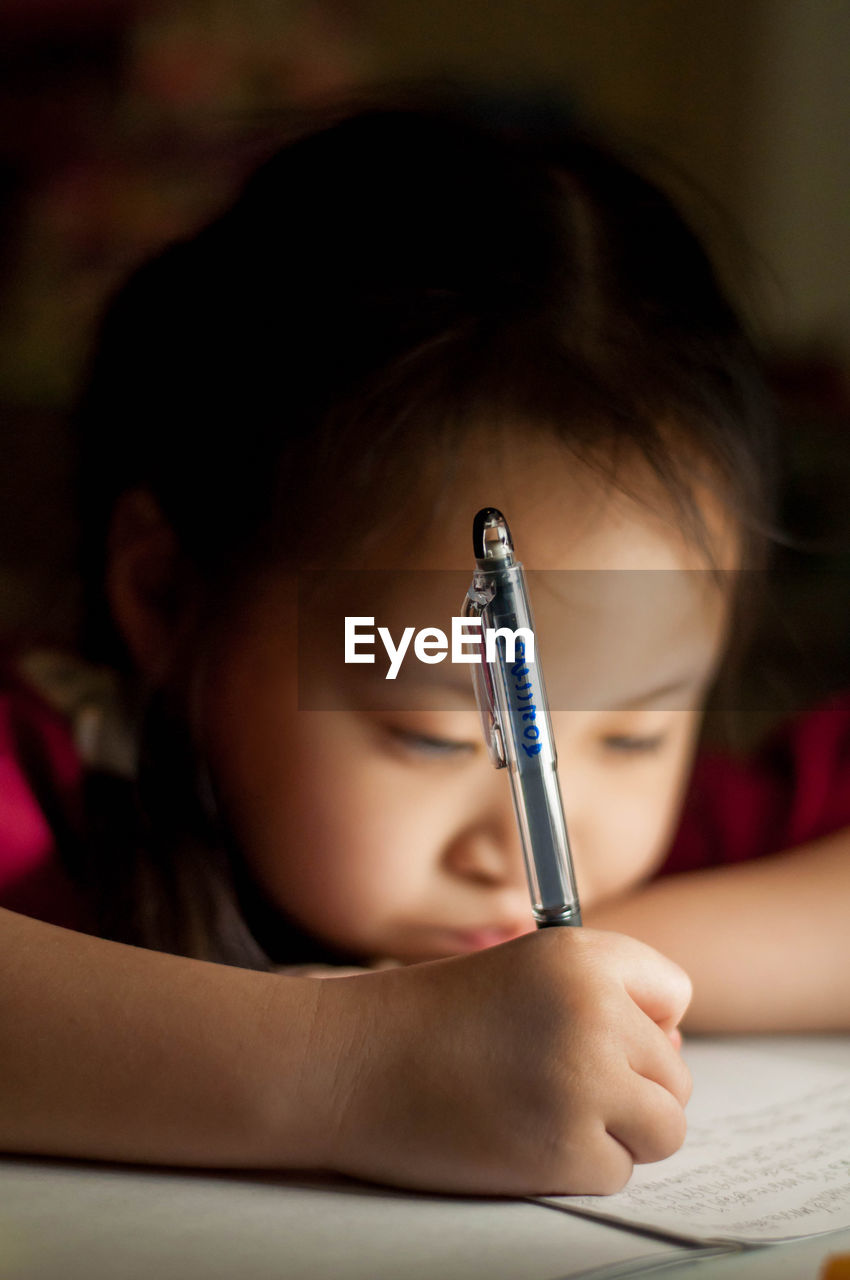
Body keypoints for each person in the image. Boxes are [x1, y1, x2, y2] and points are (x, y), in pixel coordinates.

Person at [1, 100, 847, 1197]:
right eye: (436, 735)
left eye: (638, 731)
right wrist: (350, 1063)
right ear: (170, 595)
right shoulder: (54, 785)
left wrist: (593, 966)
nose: (528, 840)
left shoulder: (657, 845)